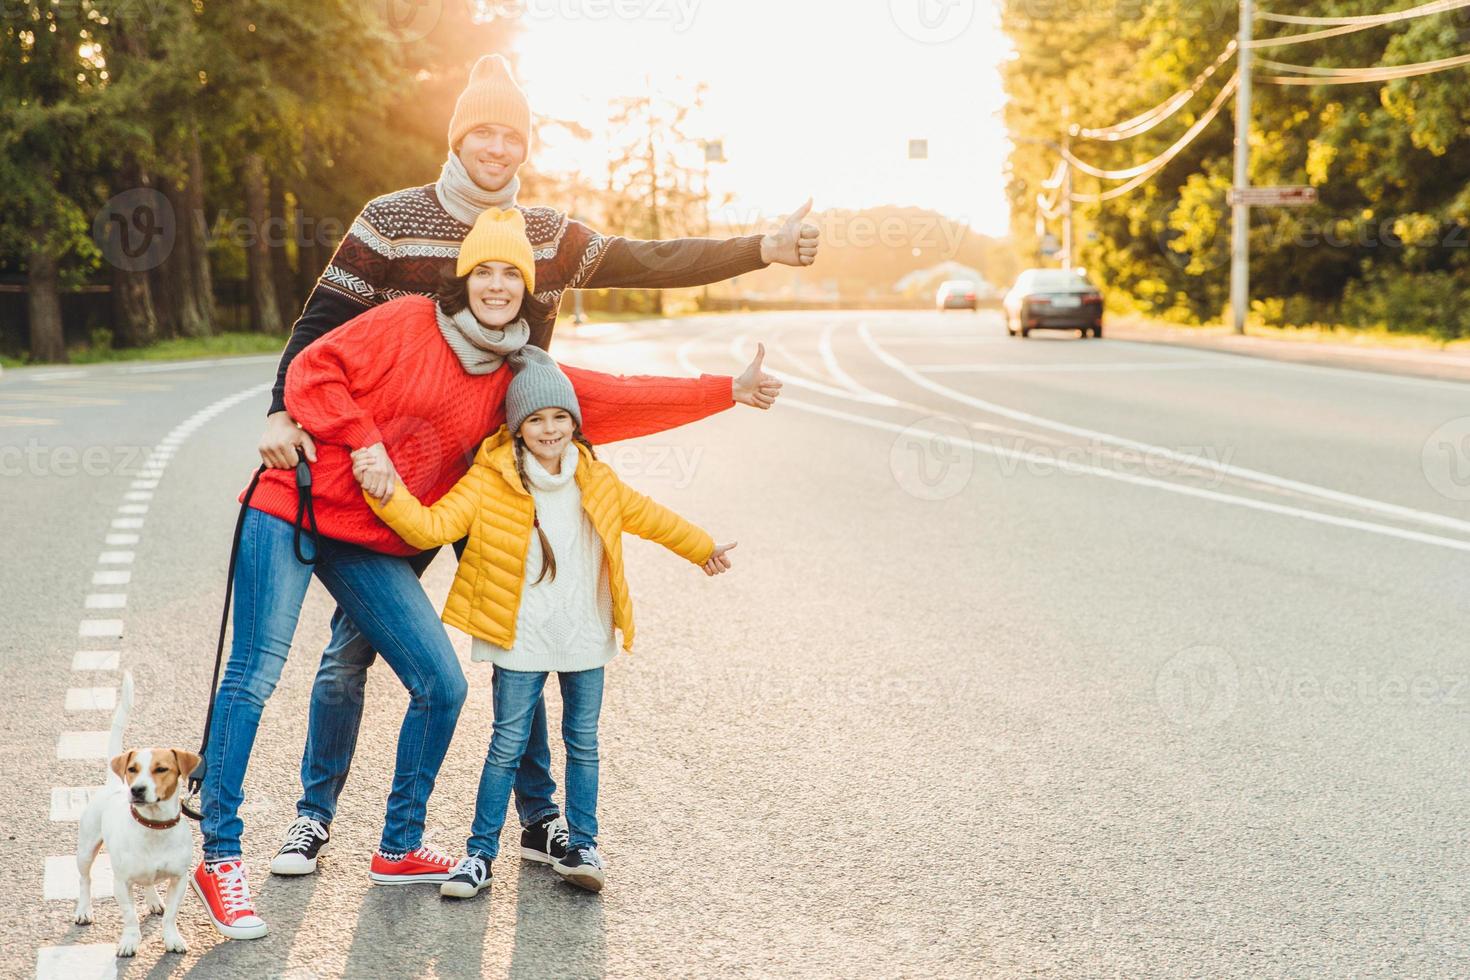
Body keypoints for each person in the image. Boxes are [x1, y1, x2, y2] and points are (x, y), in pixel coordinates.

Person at [259, 54, 814, 875]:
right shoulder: (390, 218)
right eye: (481, 130)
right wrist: (280, 408)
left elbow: (649, 261)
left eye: (510, 134)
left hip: (496, 474)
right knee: (350, 650)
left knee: (524, 641)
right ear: (457, 137)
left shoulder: (549, 236)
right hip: (394, 479)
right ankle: (313, 816)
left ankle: (539, 820)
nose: (496, 146)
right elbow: (320, 326)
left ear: (524, 146)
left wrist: (760, 246)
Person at [192, 207, 778, 940]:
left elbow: (610, 397)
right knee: (255, 674)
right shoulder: (407, 320)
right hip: (294, 503)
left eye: (513, 273)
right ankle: (219, 855)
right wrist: (362, 439)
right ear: (463, 278)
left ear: (529, 289)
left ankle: (399, 845)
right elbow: (316, 367)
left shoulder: (518, 373)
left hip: (370, 534)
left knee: (442, 683)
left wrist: (725, 390)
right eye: (485, 271)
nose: (498, 285)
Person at [358, 346, 735, 900]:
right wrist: (385, 495)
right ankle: (479, 854)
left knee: (583, 742)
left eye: (560, 417)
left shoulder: (596, 479)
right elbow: (432, 526)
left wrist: (701, 547)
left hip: (585, 633)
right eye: (536, 419)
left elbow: (651, 517)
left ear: (575, 424)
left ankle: (582, 845)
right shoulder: (489, 481)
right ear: (517, 428)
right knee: (504, 745)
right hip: (520, 638)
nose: (550, 428)